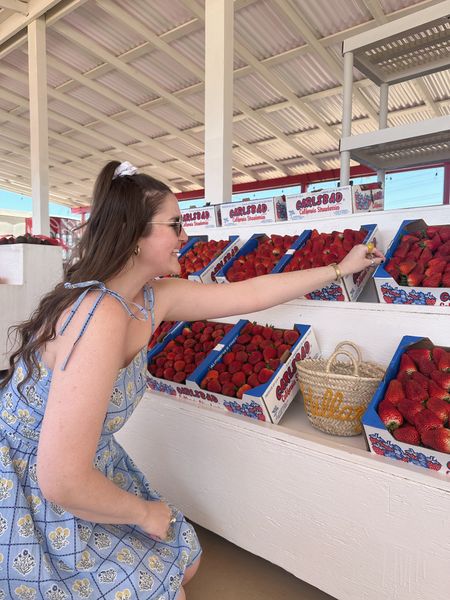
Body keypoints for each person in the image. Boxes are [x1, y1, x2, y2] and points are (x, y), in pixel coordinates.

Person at [0, 160, 384, 599]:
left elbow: (251, 292)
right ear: (134, 234)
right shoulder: (99, 314)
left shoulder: (148, 299)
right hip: (26, 486)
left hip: (82, 466)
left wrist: (339, 269)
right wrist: (143, 512)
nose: (186, 237)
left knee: (187, 561)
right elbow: (62, 481)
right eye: (175, 225)